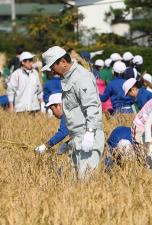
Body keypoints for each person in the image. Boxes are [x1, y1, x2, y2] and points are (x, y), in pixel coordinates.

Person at [42, 46, 104, 179]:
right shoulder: (69, 78)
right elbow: (76, 113)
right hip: (77, 137)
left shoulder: (81, 77)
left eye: (52, 66)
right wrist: (69, 141)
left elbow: (92, 106)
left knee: (86, 182)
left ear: (63, 61)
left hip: (87, 137)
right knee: (75, 183)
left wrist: (90, 132)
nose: (51, 70)